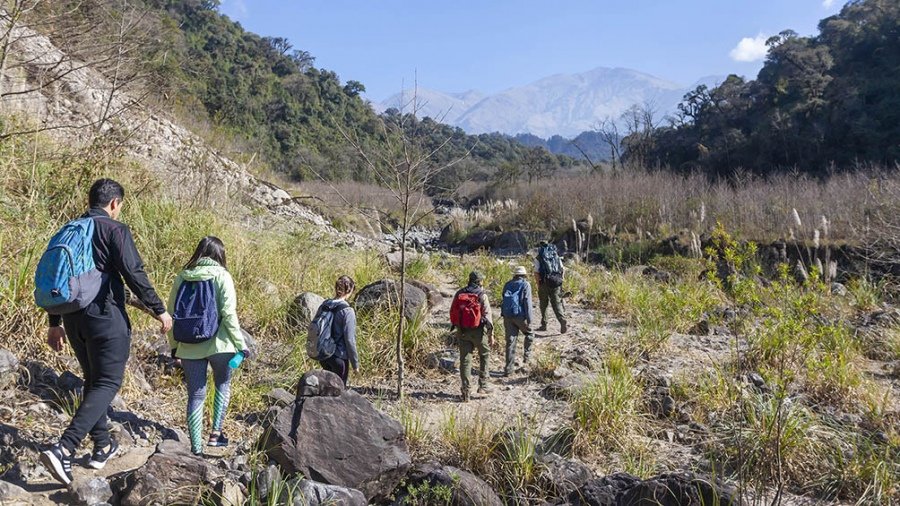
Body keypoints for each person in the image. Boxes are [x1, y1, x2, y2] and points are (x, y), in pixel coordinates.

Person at [40, 179, 173, 485]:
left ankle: (102, 444)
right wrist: (159, 309)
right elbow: (133, 272)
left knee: (94, 381)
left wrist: (54, 322)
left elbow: (57, 277)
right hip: (104, 316)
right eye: (120, 205)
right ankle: (64, 448)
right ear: (114, 203)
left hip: (73, 318)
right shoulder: (114, 229)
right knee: (108, 382)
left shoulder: (70, 229)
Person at [167, 236, 247, 456]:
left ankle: (196, 449)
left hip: (188, 345)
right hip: (220, 344)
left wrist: (174, 346)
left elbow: (171, 314)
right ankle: (215, 435)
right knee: (222, 384)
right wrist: (241, 345)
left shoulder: (182, 276)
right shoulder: (222, 276)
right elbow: (228, 313)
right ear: (220, 254)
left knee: (196, 395)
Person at [450, 271, 494, 401]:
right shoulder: (482, 295)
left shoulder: (459, 293)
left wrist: (457, 327)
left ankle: (466, 391)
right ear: (479, 281)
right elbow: (488, 316)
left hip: (463, 331)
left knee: (465, 360)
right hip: (479, 332)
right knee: (484, 354)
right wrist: (491, 335)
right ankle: (483, 385)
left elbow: (452, 311)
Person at [316, 275, 359, 386]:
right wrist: (355, 365)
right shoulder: (347, 311)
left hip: (324, 355)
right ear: (350, 290)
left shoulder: (325, 305)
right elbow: (350, 340)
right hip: (339, 357)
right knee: (339, 390)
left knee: (327, 388)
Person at [501, 266, 534, 375]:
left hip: (507, 316)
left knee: (510, 341)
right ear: (524, 275)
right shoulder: (526, 285)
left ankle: (508, 369)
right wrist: (529, 319)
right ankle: (527, 358)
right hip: (520, 316)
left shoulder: (507, 284)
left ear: (514, 274)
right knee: (529, 334)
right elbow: (527, 302)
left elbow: (503, 298)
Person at [534, 241, 568, 334]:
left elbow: (536, 273)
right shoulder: (555, 255)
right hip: (556, 282)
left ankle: (544, 324)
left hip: (544, 283)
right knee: (557, 303)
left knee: (543, 304)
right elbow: (562, 269)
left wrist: (538, 284)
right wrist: (561, 279)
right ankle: (562, 320)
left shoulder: (539, 257)